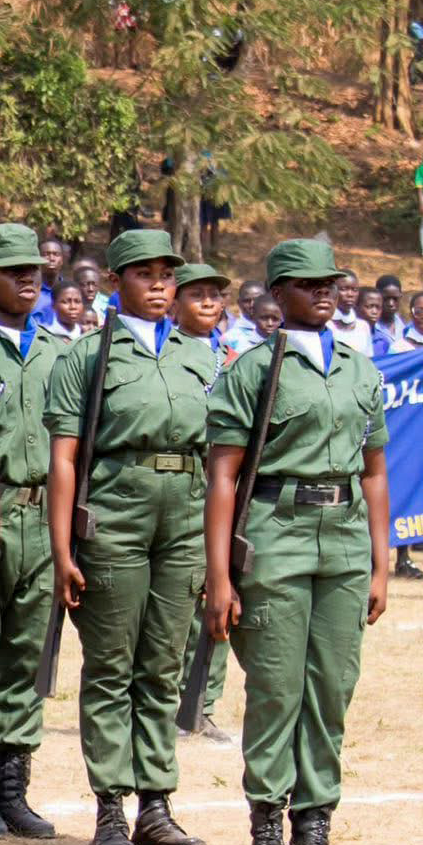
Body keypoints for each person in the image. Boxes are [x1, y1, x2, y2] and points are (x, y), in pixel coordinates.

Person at [206, 240, 389, 845]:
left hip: (342, 537)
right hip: (275, 530)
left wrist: (381, 560)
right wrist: (221, 574)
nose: (324, 292)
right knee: (278, 687)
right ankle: (266, 840)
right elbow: (223, 476)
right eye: (307, 284)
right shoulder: (254, 370)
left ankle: (314, 836)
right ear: (276, 295)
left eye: (330, 283)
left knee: (331, 687)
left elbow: (373, 469)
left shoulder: (361, 370)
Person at [45, 227, 212, 845]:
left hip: (184, 519)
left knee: (162, 664)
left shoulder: (201, 356)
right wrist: (63, 551)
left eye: (167, 273)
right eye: (145, 274)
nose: (160, 284)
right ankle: (111, 808)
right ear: (116, 283)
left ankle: (157, 806)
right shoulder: (87, 357)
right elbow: (65, 460)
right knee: (112, 666)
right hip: (115, 515)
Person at [0, 224, 72, 841]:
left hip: (40, 512)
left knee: (29, 654)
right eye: (13, 270)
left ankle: (13, 785)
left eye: (34, 269)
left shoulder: (61, 351)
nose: (29, 278)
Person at [169, 261, 236, 743]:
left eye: (216, 295)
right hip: (179, 488)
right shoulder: (164, 355)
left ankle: (203, 703)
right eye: (198, 295)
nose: (209, 303)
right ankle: (166, 698)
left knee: (217, 599)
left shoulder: (233, 358)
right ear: (174, 303)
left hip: (221, 488)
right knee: (173, 602)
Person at [328, 269, 371, 354]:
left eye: (354, 290)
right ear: (333, 291)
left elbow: (368, 361)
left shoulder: (363, 326)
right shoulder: (325, 325)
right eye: (344, 289)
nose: (350, 294)